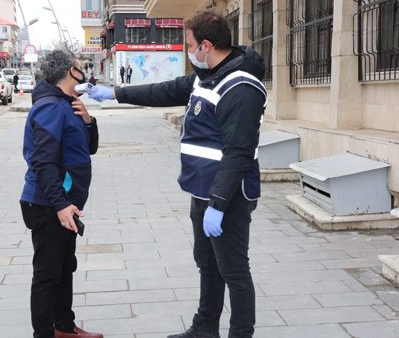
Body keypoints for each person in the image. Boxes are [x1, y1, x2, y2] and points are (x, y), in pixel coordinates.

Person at [89, 10, 266, 338]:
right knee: (207, 264)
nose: (187, 50)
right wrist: (115, 93)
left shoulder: (241, 87)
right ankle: (204, 328)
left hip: (228, 197)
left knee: (234, 272)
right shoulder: (207, 75)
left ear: (206, 45)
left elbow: (238, 152)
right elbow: (164, 91)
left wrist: (219, 202)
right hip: (203, 192)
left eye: (188, 44)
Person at [19, 50, 103, 338]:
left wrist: (89, 121)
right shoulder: (51, 107)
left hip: (64, 202)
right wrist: (60, 205)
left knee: (65, 267)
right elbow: (43, 162)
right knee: (47, 273)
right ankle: (44, 333)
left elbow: (88, 149)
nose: (83, 71)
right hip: (47, 203)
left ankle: (64, 327)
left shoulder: (68, 104)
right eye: (80, 68)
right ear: (71, 71)